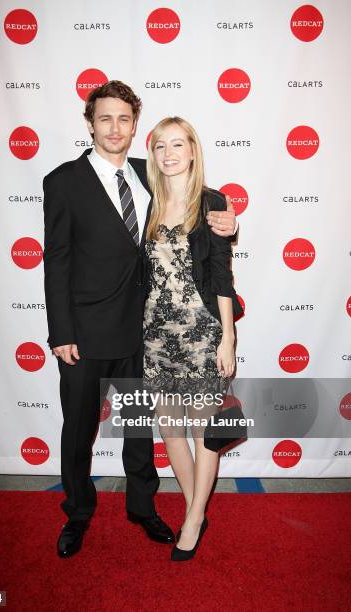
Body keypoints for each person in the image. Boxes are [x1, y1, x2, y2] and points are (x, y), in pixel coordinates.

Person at [42, 81, 237, 558]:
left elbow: (196, 211)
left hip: (143, 332)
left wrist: (230, 223)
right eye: (105, 118)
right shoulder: (63, 181)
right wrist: (62, 332)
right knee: (79, 425)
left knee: (138, 428)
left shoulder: (149, 175)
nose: (115, 128)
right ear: (90, 123)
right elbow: (57, 261)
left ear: (134, 129)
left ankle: (143, 508)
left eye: (124, 120)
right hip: (85, 333)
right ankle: (78, 513)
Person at [143, 116, 243, 561]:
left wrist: (228, 338)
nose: (169, 153)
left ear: (192, 150)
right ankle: (194, 508)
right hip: (155, 335)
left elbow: (222, 274)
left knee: (205, 431)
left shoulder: (212, 203)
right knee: (170, 430)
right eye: (161, 145)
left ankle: (194, 517)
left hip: (203, 333)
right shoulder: (145, 200)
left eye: (178, 144)